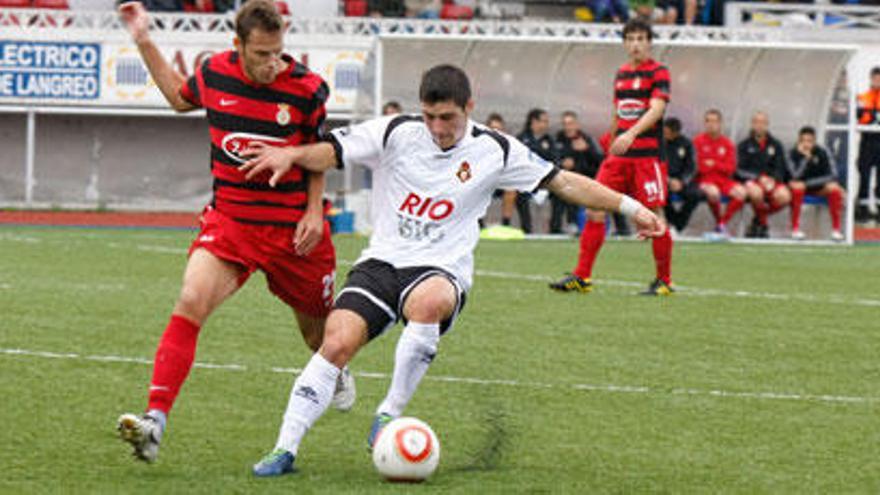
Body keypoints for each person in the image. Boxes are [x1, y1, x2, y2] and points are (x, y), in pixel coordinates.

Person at [238, 64, 665, 476]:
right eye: (430, 116)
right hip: (382, 263)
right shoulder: (394, 131)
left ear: (469, 107)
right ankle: (284, 448)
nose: (438, 127)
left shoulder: (495, 149)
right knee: (335, 342)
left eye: (448, 117)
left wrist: (632, 207)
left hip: (440, 268)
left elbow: (565, 183)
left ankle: (388, 414)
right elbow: (331, 150)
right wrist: (292, 154)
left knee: (431, 301)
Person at [113, 0, 354, 463]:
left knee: (319, 338)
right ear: (238, 45)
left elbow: (318, 151)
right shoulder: (213, 74)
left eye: (277, 52)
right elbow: (177, 97)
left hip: (292, 232)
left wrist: (312, 212)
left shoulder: (306, 87)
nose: (271, 64)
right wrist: (144, 38)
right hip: (232, 223)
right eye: (261, 54)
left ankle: (334, 366)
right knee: (191, 299)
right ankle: (155, 422)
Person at [550, 19, 675, 296]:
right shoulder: (621, 74)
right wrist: (613, 138)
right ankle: (582, 276)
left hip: (647, 158)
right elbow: (619, 112)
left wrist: (630, 135)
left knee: (654, 216)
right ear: (624, 43)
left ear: (649, 42)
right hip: (619, 158)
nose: (636, 44)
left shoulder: (659, 72)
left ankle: (664, 281)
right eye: (630, 39)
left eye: (641, 38)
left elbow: (656, 110)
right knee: (594, 207)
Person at [737, 111, 791, 238]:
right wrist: (758, 178)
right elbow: (738, 170)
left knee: (785, 196)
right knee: (756, 193)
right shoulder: (743, 145)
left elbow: (781, 167)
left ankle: (758, 219)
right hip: (752, 182)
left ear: (767, 125)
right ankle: (763, 224)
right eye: (756, 122)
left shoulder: (776, 145)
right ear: (752, 124)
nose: (759, 125)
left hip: (771, 182)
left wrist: (773, 179)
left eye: (762, 122)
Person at [692, 109, 746, 234]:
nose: (711, 124)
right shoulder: (697, 142)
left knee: (742, 192)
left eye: (715, 121)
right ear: (704, 123)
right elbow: (698, 167)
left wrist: (713, 163)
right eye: (708, 121)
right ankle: (720, 224)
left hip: (724, 180)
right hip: (705, 180)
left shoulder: (727, 144)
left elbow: (731, 168)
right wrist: (717, 165)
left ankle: (721, 223)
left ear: (720, 123)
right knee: (713, 193)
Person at [786, 126, 845, 241]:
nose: (807, 144)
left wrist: (807, 184)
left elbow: (833, 174)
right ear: (799, 141)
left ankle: (836, 230)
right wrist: (805, 159)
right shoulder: (792, 153)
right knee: (797, 187)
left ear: (814, 141)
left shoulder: (823, 152)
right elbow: (794, 176)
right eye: (803, 141)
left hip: (817, 187)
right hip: (799, 188)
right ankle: (795, 229)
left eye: (810, 141)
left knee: (834, 188)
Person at [553, 111, 604, 234]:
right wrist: (562, 163)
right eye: (565, 124)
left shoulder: (586, 139)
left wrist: (587, 149)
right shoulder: (558, 139)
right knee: (560, 193)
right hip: (563, 178)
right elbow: (551, 157)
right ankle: (556, 229)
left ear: (576, 125)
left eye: (570, 123)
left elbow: (600, 161)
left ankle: (622, 228)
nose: (568, 127)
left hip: (586, 177)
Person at [516, 109, 557, 233]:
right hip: (527, 180)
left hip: (547, 180)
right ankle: (526, 229)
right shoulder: (522, 138)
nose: (546, 124)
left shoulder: (549, 140)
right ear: (534, 121)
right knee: (520, 195)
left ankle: (556, 229)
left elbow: (555, 159)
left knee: (563, 195)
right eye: (543, 121)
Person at [662, 117, 701, 233]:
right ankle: (673, 223)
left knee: (695, 195)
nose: (665, 135)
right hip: (664, 180)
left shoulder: (687, 144)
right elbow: (654, 164)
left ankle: (678, 226)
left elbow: (692, 167)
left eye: (667, 133)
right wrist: (667, 180)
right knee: (660, 195)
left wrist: (682, 181)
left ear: (676, 133)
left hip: (681, 181)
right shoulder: (659, 144)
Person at [856, 67, 880, 223]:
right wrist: (870, 116)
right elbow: (860, 117)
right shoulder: (863, 96)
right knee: (864, 174)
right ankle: (862, 208)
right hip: (867, 140)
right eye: (875, 78)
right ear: (870, 79)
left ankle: (878, 207)